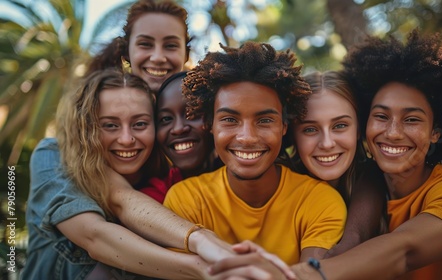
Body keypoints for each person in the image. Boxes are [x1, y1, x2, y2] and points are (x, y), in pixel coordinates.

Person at [208, 30, 442, 279]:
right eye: (381, 116)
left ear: (436, 131)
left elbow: (404, 250)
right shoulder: (301, 190)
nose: (394, 132)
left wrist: (297, 275)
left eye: (412, 119)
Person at [23, 1, 234, 279]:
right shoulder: (57, 154)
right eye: (146, 44)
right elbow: (108, 222)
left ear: (185, 54)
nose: (158, 57)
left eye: (140, 124)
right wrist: (210, 264)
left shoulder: (179, 150)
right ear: (127, 53)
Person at [164, 41, 347, 265]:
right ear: (211, 125)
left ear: (284, 127)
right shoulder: (186, 200)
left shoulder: (319, 201)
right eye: (230, 120)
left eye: (265, 120)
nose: (247, 137)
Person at [287, 71, 386, 257]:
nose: (327, 143)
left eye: (340, 126)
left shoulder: (371, 177)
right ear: (293, 135)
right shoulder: (280, 183)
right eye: (309, 129)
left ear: (358, 129)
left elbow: (352, 241)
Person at [140, 71, 218, 203]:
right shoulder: (153, 197)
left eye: (191, 114)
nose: (178, 128)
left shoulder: (249, 182)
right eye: (165, 118)